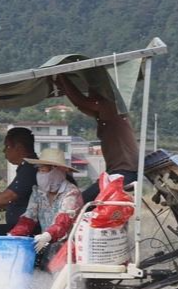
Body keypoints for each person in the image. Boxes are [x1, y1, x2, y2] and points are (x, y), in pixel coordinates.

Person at [55, 75, 140, 204]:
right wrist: (65, 88)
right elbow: (82, 106)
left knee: (80, 203)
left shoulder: (111, 106)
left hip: (123, 173)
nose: (90, 96)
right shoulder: (107, 112)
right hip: (119, 172)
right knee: (86, 204)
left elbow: (82, 102)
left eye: (93, 93)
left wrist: (63, 80)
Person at [8, 148, 83, 262]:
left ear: (57, 171)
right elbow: (29, 218)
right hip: (47, 242)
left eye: (44, 171)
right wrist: (14, 236)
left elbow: (64, 221)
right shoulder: (38, 192)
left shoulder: (71, 193)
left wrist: (48, 235)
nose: (40, 174)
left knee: (52, 253)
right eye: (39, 170)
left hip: (68, 246)